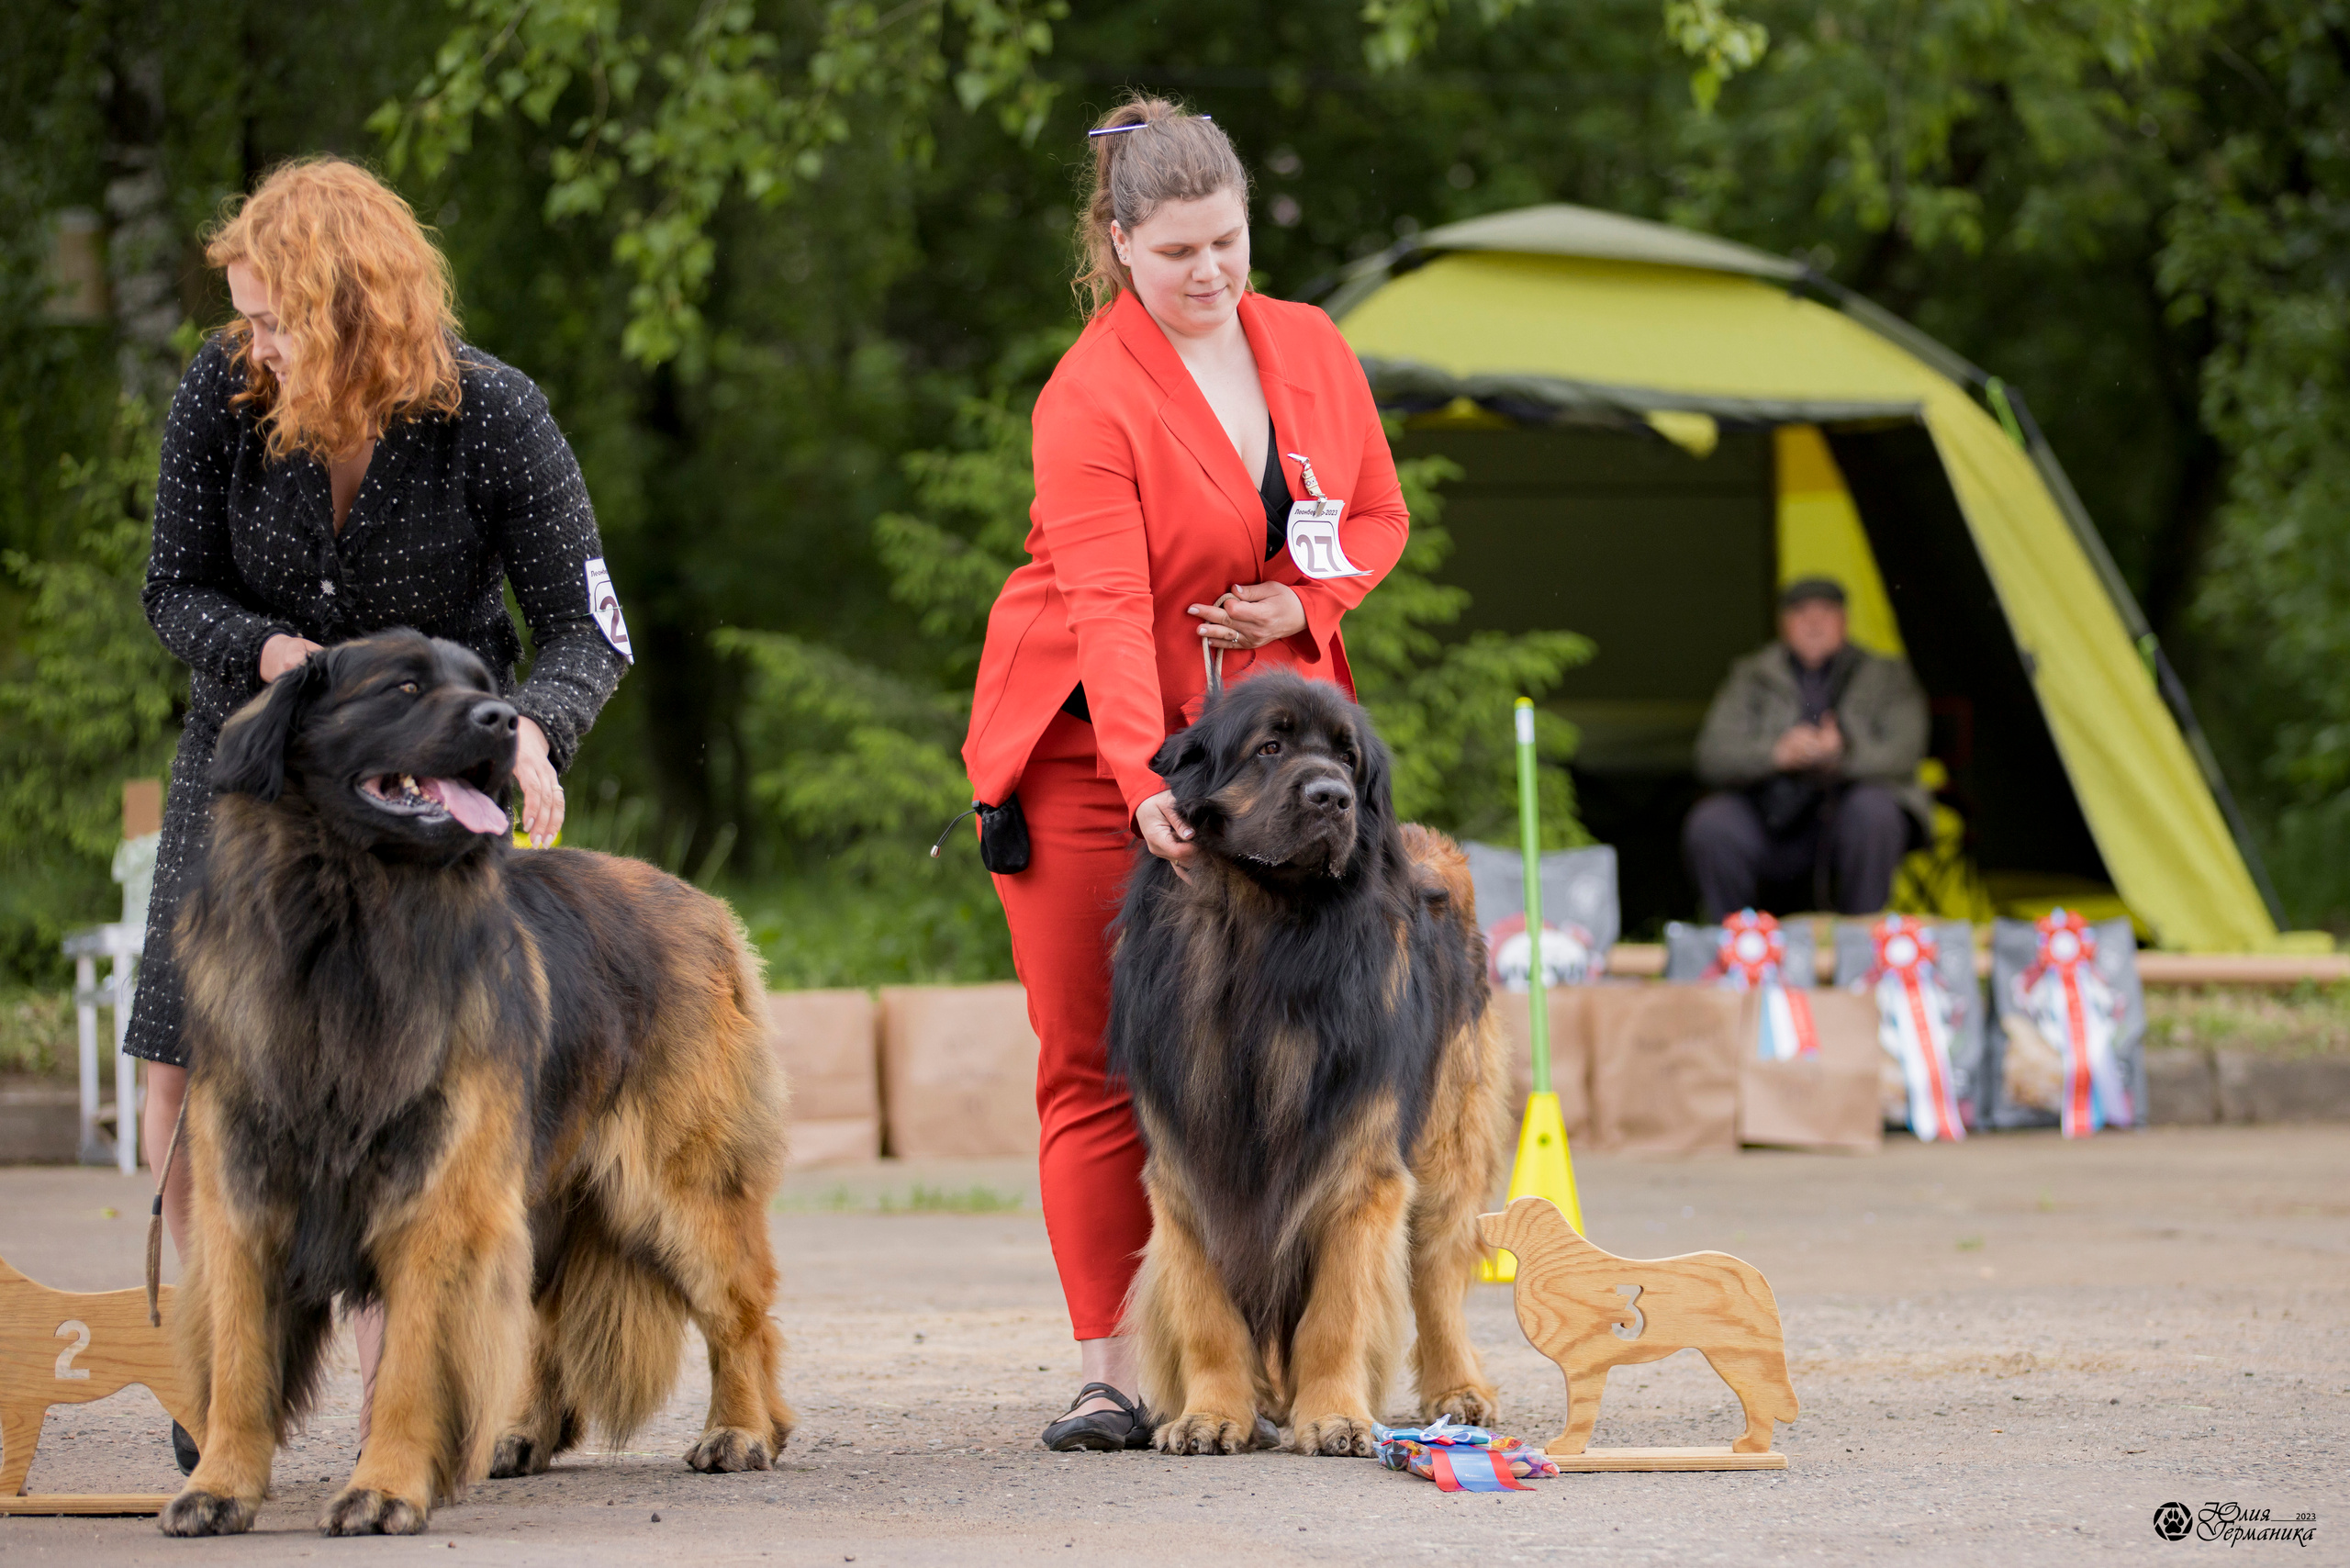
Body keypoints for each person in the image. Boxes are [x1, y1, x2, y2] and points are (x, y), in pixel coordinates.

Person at [125, 156, 629, 1468]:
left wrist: (533, 726)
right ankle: (226, 1379)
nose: (255, 342)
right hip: (258, 783)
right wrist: (270, 653)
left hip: (429, 794)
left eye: (276, 317)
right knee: (180, 1069)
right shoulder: (219, 397)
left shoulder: (494, 414)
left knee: (409, 1087)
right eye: (246, 315)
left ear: (356, 309)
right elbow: (171, 592)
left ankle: (386, 1406)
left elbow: (588, 626)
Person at [960, 96, 1409, 1450]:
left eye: (1228, 243)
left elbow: (1375, 516)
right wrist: (1135, 776)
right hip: (1096, 751)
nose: (1210, 274)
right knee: (1104, 1059)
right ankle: (1113, 1368)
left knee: (1316, 1054)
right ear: (1118, 243)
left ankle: (1287, 1356)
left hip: (1269, 752)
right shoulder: (1087, 394)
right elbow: (1103, 604)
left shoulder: (1313, 347)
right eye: (1177, 255)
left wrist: (1301, 603)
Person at [1684, 577, 1928, 917]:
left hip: (1849, 816)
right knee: (1712, 823)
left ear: (1844, 620)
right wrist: (1776, 754)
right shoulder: (1751, 676)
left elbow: (1904, 751)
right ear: (1782, 624)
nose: (1814, 624)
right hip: (1772, 815)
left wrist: (1844, 753)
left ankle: (1862, 942)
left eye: (1826, 612)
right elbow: (1711, 755)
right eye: (1801, 613)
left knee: (1874, 811)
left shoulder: (1886, 675)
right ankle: (1739, 945)